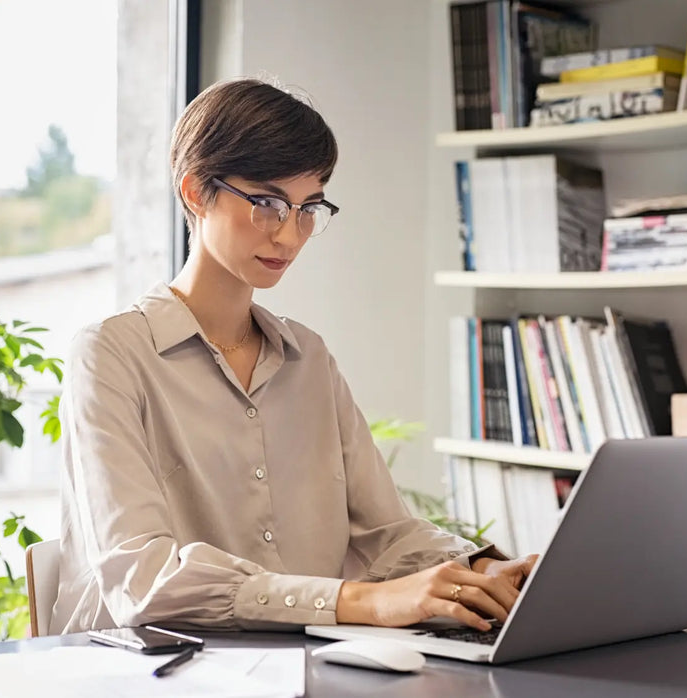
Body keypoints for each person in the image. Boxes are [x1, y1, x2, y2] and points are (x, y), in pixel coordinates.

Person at [49, 77, 536, 635]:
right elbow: (145, 580)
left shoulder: (310, 359)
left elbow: (386, 533)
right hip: (152, 674)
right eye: (267, 203)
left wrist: (488, 571)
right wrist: (366, 602)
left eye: (308, 208)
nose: (289, 234)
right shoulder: (109, 355)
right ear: (193, 192)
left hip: (302, 667)